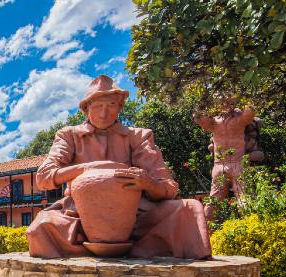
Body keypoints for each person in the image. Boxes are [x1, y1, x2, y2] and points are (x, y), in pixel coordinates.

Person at [26, 75, 211, 259]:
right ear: (86, 109)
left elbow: (169, 187)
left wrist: (149, 184)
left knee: (189, 209)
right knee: (39, 229)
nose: (103, 113)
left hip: (135, 219)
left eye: (111, 105)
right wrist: (86, 169)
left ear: (120, 108)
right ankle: (90, 256)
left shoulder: (138, 137)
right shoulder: (69, 136)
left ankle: (141, 252)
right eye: (98, 106)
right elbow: (44, 177)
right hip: (78, 216)